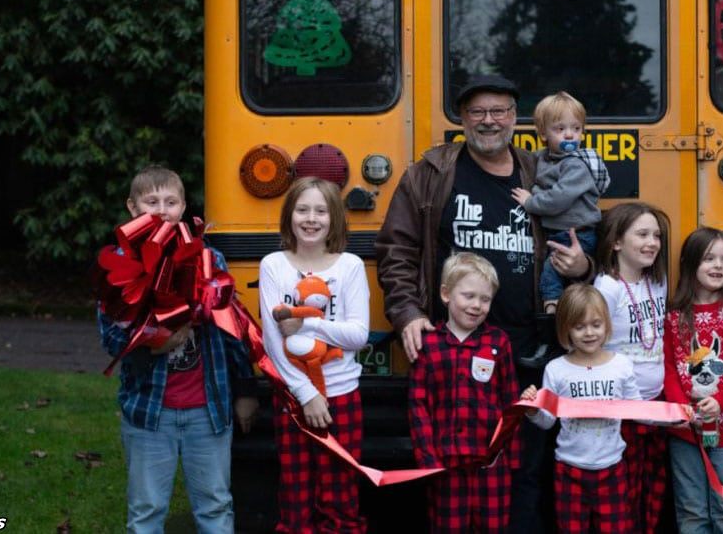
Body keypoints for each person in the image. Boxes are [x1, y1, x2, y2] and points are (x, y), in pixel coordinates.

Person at [375, 74, 591, 531]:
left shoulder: (542, 171)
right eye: (477, 112)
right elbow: (397, 249)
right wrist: (408, 313)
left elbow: (582, 230)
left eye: (499, 111)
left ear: (516, 119)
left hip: (529, 347)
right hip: (453, 350)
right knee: (451, 472)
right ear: (462, 119)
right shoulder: (431, 174)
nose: (488, 121)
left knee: (526, 469)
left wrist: (581, 267)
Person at [98, 165, 256, 534]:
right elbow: (110, 339)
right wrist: (153, 343)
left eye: (171, 201)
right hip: (150, 413)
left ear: (184, 207)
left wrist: (246, 389)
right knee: (147, 509)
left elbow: (234, 331)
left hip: (208, 409)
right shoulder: (120, 266)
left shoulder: (207, 259)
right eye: (151, 202)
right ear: (132, 208)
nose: (162, 209)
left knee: (215, 506)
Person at [258, 177, 370, 533]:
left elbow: (357, 335)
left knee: (341, 496)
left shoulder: (349, 266)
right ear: (289, 215)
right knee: (296, 495)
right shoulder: (273, 265)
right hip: (294, 397)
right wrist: (306, 394)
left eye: (321, 211)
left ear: (334, 218)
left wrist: (308, 325)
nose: (311, 219)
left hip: (342, 396)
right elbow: (272, 343)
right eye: (302, 209)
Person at [408, 252, 521, 532]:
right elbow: (418, 405)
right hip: (446, 464)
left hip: (491, 462)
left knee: (493, 526)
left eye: (485, 299)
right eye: (468, 296)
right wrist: (428, 458)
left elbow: (511, 400)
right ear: (446, 294)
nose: (477, 306)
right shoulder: (429, 344)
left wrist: (512, 456)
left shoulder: (498, 343)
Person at [662, 227, 723, 534]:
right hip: (685, 432)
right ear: (690, 263)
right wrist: (681, 408)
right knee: (691, 510)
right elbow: (668, 366)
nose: (719, 266)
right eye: (709, 259)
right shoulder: (675, 317)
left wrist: (720, 401)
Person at [521, 283, 640, 534]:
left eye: (596, 324)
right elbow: (548, 421)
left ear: (607, 324)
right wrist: (533, 411)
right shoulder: (556, 369)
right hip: (569, 470)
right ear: (566, 329)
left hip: (612, 467)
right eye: (579, 326)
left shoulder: (622, 365)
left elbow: (638, 410)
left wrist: (679, 416)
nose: (589, 333)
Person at [592, 202, 671, 532]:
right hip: (622, 409)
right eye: (642, 234)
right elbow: (592, 343)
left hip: (655, 404)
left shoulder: (658, 282)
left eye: (656, 235)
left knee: (652, 486)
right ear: (616, 242)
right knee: (622, 490)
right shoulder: (606, 289)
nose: (652, 242)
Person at [512, 91, 609, 313]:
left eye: (576, 129)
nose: (569, 136)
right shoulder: (542, 158)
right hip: (555, 233)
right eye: (560, 129)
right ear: (543, 133)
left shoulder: (576, 165)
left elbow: (558, 199)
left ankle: (551, 307)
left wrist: (531, 201)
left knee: (552, 268)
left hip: (578, 233)